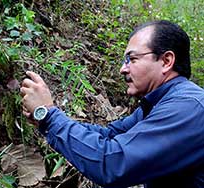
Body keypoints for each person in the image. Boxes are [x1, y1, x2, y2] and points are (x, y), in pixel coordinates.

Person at [20, 20, 204, 188]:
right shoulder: (159, 104)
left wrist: (48, 116)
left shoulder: (188, 108)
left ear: (166, 61)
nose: (123, 69)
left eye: (132, 59)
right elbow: (108, 135)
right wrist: (44, 119)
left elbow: (113, 164)